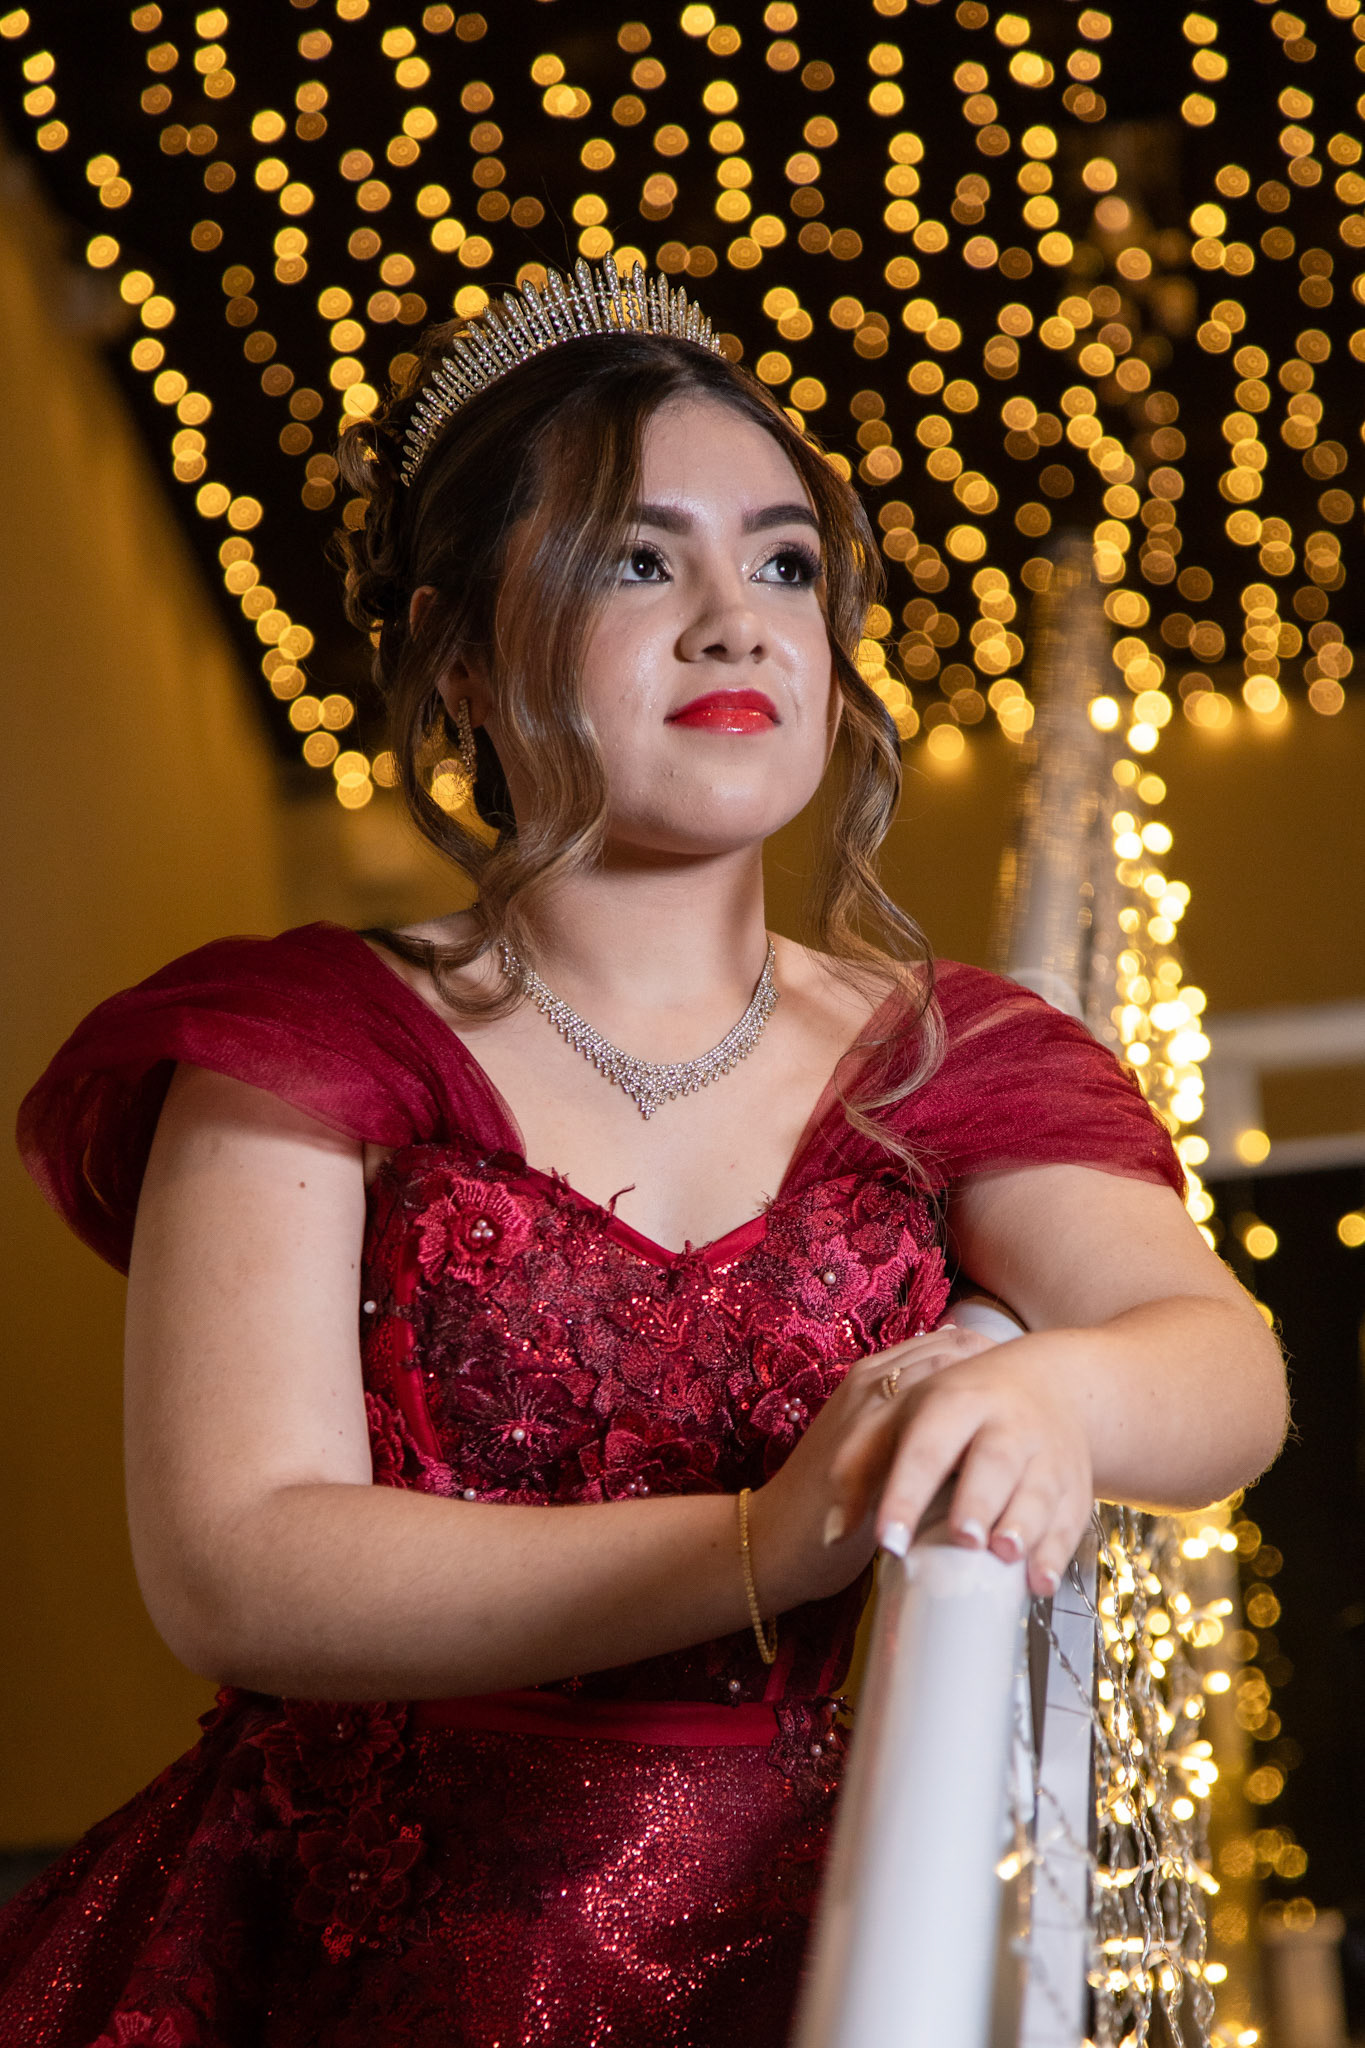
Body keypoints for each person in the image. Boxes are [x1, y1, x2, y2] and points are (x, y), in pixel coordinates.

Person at [1, 256, 1286, 2048]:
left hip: (824, 1941)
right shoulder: (302, 1045)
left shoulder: (946, 1052)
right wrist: (770, 1538)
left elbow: (1220, 1367)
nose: (733, 621)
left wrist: (1047, 1394)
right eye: (634, 561)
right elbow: (239, 1563)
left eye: (783, 565)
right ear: (461, 653)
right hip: (357, 1964)